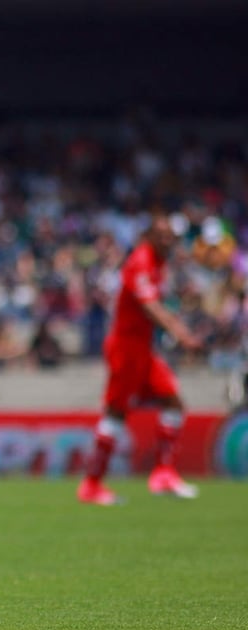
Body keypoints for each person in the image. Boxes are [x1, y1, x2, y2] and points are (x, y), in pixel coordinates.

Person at [77, 211, 203, 505]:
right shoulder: (141, 261)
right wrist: (182, 334)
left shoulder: (157, 263)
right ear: (148, 237)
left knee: (173, 400)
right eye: (162, 236)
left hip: (143, 348)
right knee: (116, 412)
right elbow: (151, 307)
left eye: (170, 237)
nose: (167, 241)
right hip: (125, 347)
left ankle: (163, 474)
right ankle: (91, 484)